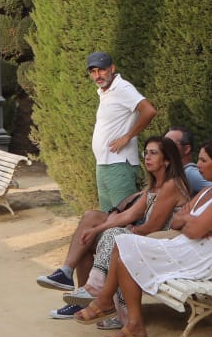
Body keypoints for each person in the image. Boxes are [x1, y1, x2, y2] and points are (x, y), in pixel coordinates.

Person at [77, 141, 212, 337]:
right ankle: (133, 324)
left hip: (200, 259)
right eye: (199, 159)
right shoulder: (206, 193)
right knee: (122, 245)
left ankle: (105, 301)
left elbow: (192, 231)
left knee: (125, 245)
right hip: (186, 247)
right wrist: (191, 221)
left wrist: (190, 221)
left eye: (203, 160)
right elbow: (176, 222)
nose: (197, 165)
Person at [48, 137, 191, 321]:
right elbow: (129, 215)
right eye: (145, 153)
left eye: (153, 153)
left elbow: (153, 226)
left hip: (165, 247)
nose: (147, 157)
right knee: (95, 237)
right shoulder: (155, 187)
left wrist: (131, 231)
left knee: (116, 235)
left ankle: (96, 290)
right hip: (152, 241)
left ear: (167, 160)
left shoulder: (172, 185)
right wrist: (95, 229)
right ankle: (97, 303)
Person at [86, 51, 159, 218]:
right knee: (107, 218)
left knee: (123, 219)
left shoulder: (122, 88)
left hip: (119, 165)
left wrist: (128, 136)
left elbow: (149, 110)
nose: (97, 75)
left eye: (101, 70)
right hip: (103, 166)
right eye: (93, 71)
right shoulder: (105, 92)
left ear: (112, 68)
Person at [167, 127, 210, 193]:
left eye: (170, 143)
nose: (163, 148)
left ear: (187, 149)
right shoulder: (177, 173)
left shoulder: (189, 173)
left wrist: (192, 203)